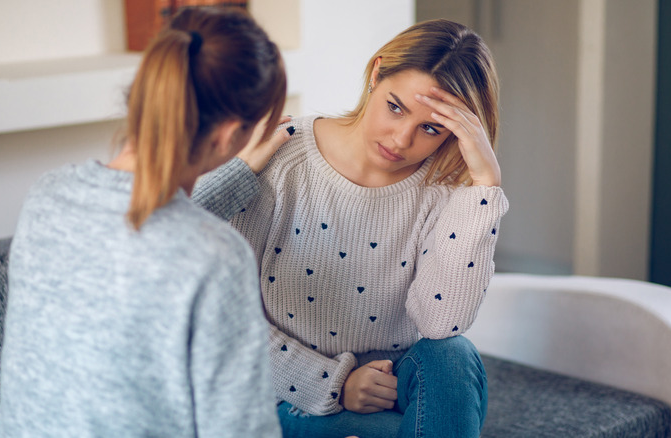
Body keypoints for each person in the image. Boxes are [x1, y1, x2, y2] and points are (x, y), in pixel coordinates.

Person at [193, 18, 508, 437]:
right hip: (285, 391)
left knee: (454, 354)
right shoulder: (281, 158)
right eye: (395, 107)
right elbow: (217, 309)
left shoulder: (446, 190)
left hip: (396, 380)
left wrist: (484, 188)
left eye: (431, 128)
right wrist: (334, 383)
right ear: (377, 73)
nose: (399, 140)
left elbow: (440, 323)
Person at [0, 7, 289, 437]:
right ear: (228, 135)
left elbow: (142, 232)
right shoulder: (215, 257)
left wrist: (239, 172)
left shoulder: (47, 195)